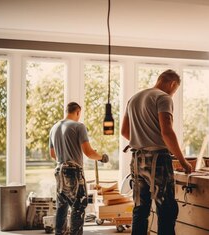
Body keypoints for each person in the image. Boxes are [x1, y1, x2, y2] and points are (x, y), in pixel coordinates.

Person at [121, 69, 192, 235]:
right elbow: (166, 132)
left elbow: (125, 131)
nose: (173, 94)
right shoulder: (163, 97)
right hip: (158, 160)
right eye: (175, 91)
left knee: (140, 209)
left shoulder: (134, 99)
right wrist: (183, 161)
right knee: (166, 209)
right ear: (173, 84)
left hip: (137, 160)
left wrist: (143, 140)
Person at [49, 102, 108, 235]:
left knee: (62, 207)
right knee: (78, 207)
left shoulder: (54, 128)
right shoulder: (79, 126)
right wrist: (101, 157)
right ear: (77, 112)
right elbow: (88, 152)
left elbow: (53, 154)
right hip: (73, 172)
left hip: (59, 171)